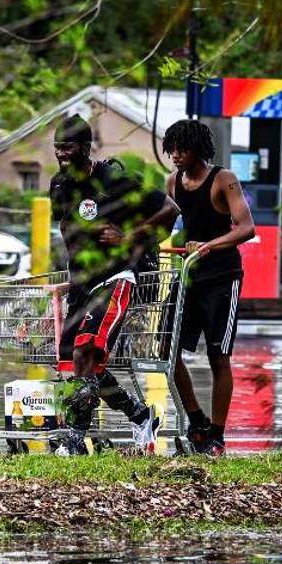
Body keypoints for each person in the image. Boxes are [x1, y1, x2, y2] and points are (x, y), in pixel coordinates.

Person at [49, 114, 180, 455]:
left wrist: (129, 235)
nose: (63, 155)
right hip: (81, 281)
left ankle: (74, 441)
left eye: (69, 148)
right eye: (58, 148)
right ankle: (140, 414)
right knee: (81, 365)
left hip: (115, 277)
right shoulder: (59, 184)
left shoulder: (115, 179)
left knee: (85, 350)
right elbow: (64, 225)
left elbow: (169, 209)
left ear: (86, 147)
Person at [162, 119, 255, 455]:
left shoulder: (223, 179)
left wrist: (209, 245)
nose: (175, 155)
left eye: (182, 149)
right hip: (188, 277)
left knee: (218, 356)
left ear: (198, 149)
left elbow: (246, 228)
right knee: (166, 350)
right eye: (171, 149)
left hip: (221, 277)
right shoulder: (173, 181)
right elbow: (161, 223)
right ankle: (197, 421)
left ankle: (216, 434)